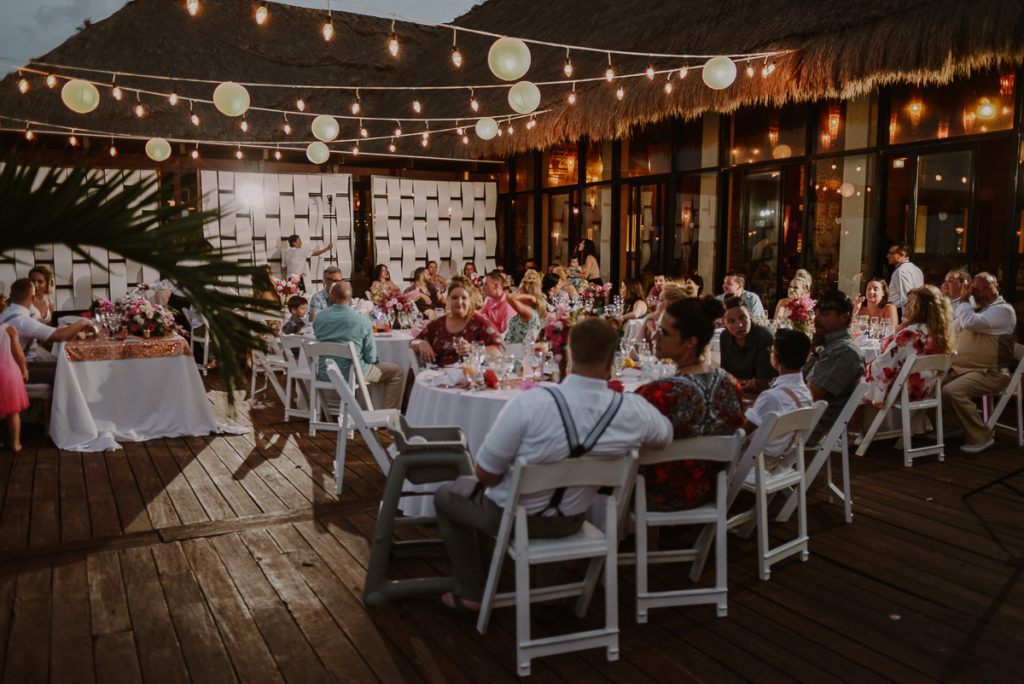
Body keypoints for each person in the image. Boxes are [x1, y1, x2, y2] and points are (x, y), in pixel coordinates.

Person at [433, 318, 673, 613]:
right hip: (571, 520)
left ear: (568, 354)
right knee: (563, 495)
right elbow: (665, 437)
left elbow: (486, 474)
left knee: (446, 496)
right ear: (612, 360)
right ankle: (547, 594)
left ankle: (472, 592)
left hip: (511, 519)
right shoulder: (633, 410)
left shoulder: (531, 403)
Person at [635, 297, 745, 510]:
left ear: (690, 341)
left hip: (656, 493)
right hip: (712, 489)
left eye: (665, 333)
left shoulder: (659, 393)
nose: (655, 337)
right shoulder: (731, 384)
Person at [942, 272, 1018, 453]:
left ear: (997, 288)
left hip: (991, 373)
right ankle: (953, 426)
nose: (980, 292)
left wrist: (963, 301)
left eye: (986, 287)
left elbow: (970, 323)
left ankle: (981, 436)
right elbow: (954, 328)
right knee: (930, 386)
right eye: (976, 288)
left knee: (952, 391)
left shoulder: (1004, 311)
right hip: (964, 369)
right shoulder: (976, 307)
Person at [312, 281, 402, 409]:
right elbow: (371, 357)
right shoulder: (362, 321)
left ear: (332, 296)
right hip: (352, 373)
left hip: (324, 371)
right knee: (395, 372)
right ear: (349, 298)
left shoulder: (319, 318)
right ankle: (389, 416)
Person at [864, 284, 953, 407]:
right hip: (923, 392)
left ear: (918, 308)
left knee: (856, 379)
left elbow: (883, 364)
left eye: (909, 302)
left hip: (902, 393)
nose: (904, 306)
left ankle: (852, 424)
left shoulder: (911, 334)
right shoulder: (938, 335)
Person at [0, 278, 93, 384]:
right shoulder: (23, 321)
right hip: (21, 369)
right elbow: (60, 336)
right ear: (33, 298)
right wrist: (83, 322)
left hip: (7, 366)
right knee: (70, 373)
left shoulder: (5, 313)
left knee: (66, 365)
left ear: (11, 295)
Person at [802, 291, 865, 443]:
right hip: (798, 419)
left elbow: (808, 397)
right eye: (815, 313)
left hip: (806, 427)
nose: (816, 319)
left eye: (824, 314)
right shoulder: (827, 343)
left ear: (844, 317)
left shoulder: (844, 351)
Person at [743, 329, 814, 458]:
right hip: (780, 459)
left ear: (775, 359)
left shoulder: (772, 397)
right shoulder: (806, 394)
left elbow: (742, 433)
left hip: (755, 463)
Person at [412, 281, 502, 366]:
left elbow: (498, 349)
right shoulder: (438, 323)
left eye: (464, 298)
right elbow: (413, 342)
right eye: (454, 298)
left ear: (469, 300)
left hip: (470, 375)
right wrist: (421, 343)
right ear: (448, 300)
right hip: (439, 376)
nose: (459, 302)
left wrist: (472, 349)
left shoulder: (480, 322)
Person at [720, 296, 776, 394]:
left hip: (763, 396)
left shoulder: (765, 337)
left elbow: (765, 383)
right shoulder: (724, 336)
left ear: (750, 315)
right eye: (731, 321)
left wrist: (735, 382)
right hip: (736, 393)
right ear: (724, 323)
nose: (740, 325)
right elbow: (725, 376)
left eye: (743, 318)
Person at [0, 320, 29, 454]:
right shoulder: (9, 329)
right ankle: (15, 443)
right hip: (7, 372)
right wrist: (24, 369)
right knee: (13, 412)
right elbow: (18, 354)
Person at [504, 269, 546, 344]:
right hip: (508, 349)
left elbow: (508, 297)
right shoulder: (521, 311)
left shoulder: (531, 314)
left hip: (518, 352)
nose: (517, 293)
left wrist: (529, 297)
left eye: (520, 291)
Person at [886, 241, 923, 313]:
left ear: (902, 255)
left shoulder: (900, 271)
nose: (887, 256)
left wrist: (905, 319)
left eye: (891, 253)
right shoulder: (916, 269)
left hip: (900, 312)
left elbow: (906, 297)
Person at [478, 270, 516, 336]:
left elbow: (506, 335)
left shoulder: (508, 305)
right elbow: (479, 318)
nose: (482, 287)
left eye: (486, 284)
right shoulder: (490, 300)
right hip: (492, 338)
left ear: (496, 285)